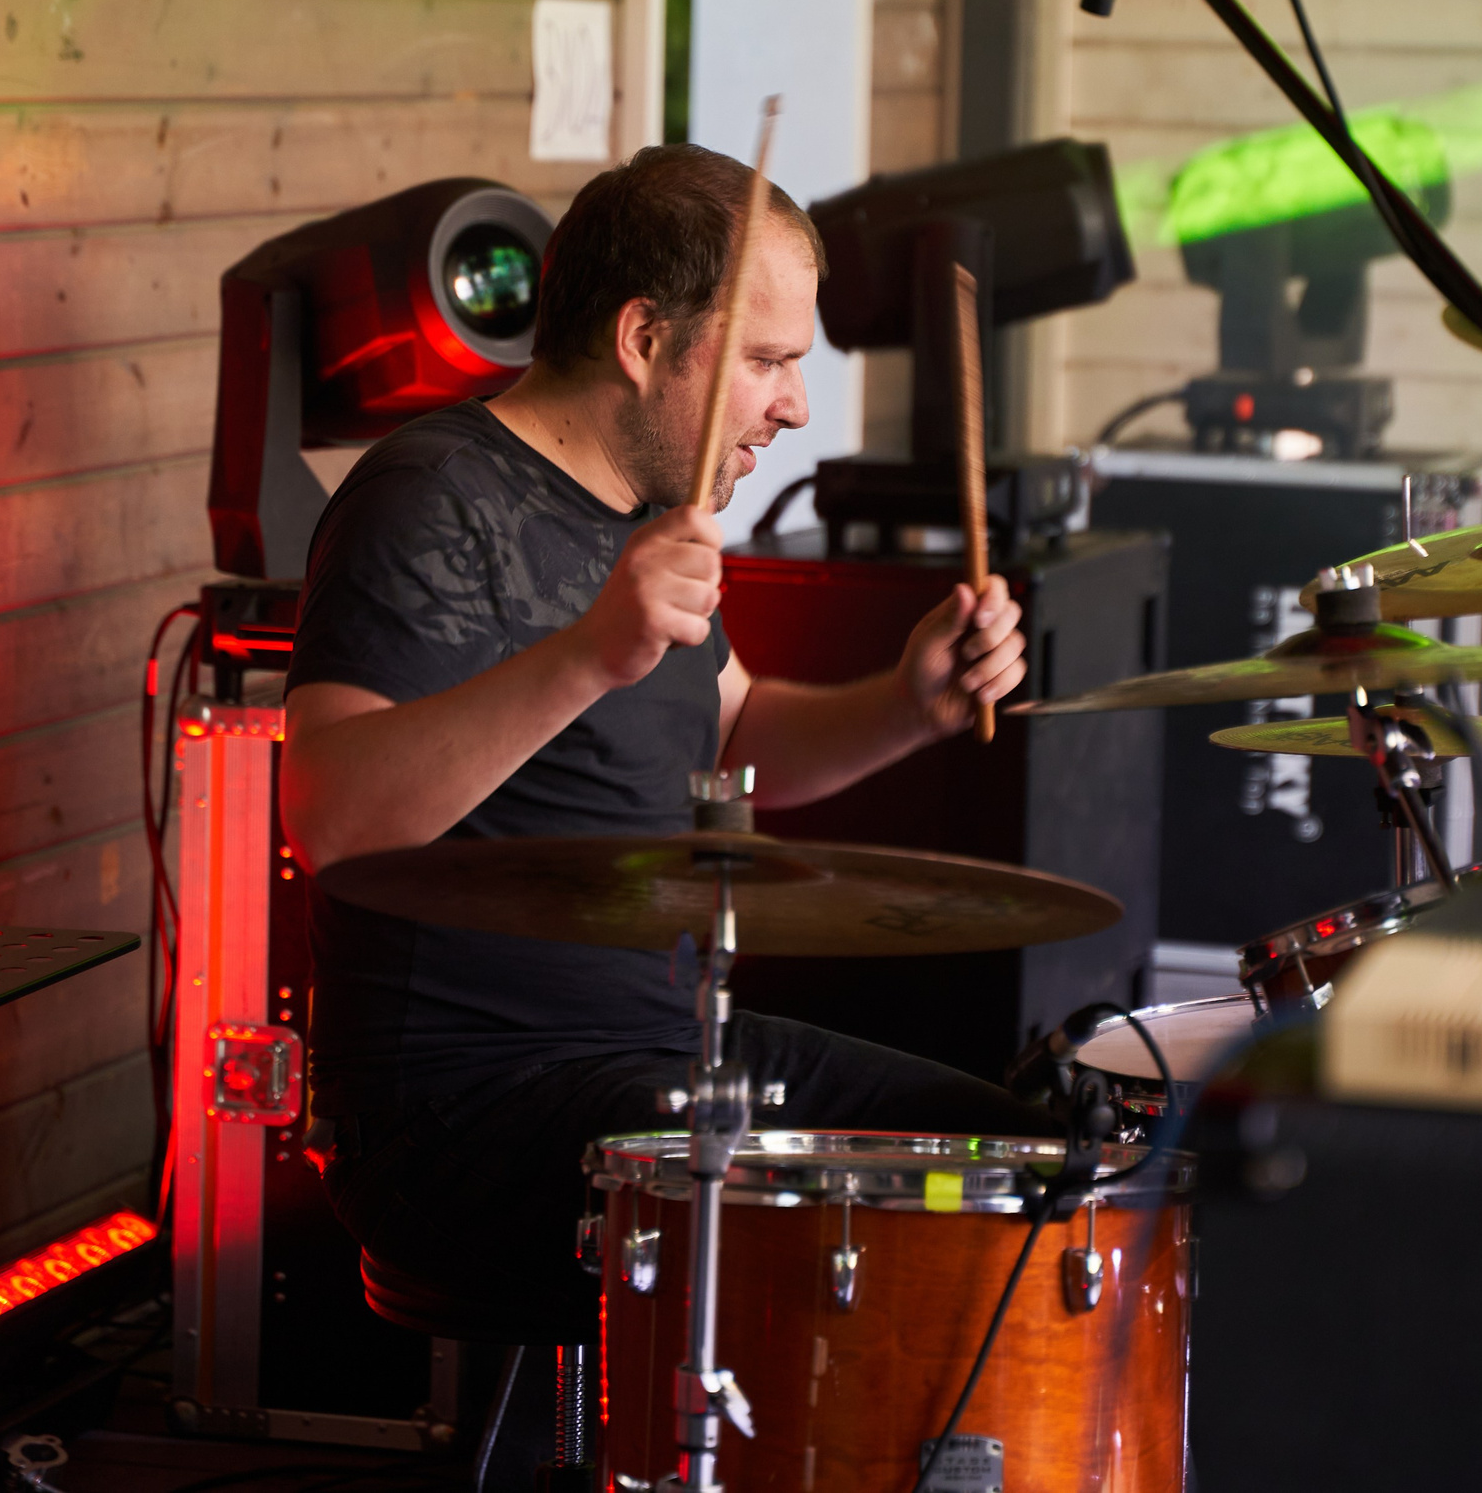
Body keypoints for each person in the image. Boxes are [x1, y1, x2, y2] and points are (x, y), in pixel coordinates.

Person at [280, 144, 1050, 1344]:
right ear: (644, 339)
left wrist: (911, 701)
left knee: (1035, 1164)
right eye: (766, 362)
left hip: (660, 1056)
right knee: (861, 1239)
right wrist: (592, 648)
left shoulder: (646, 510)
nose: (792, 405)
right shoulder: (429, 495)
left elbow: (736, 732)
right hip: (469, 1115)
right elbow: (333, 817)